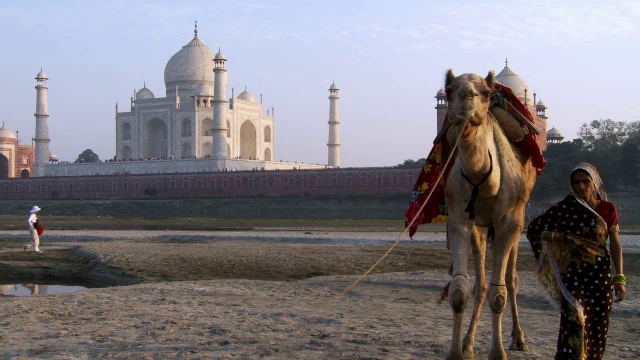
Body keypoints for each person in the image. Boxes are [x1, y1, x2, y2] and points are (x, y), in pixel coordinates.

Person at [527, 163, 626, 359]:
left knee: (597, 327)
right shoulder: (565, 209)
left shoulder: (608, 209)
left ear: (595, 182)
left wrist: (620, 278)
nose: (581, 186)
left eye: (585, 181)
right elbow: (535, 229)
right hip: (573, 277)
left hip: (600, 277)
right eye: (576, 182)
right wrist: (557, 238)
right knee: (573, 321)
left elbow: (615, 244)